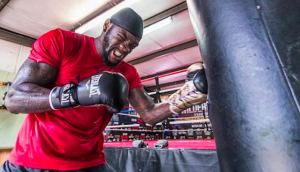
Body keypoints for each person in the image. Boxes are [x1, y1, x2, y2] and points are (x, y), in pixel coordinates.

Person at [0, 8, 207, 172]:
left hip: (88, 162)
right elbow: (14, 99)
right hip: (35, 160)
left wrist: (185, 97)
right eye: (122, 37)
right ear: (107, 25)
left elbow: (149, 114)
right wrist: (74, 94)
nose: (125, 47)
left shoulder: (128, 73)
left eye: (132, 45)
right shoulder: (63, 42)